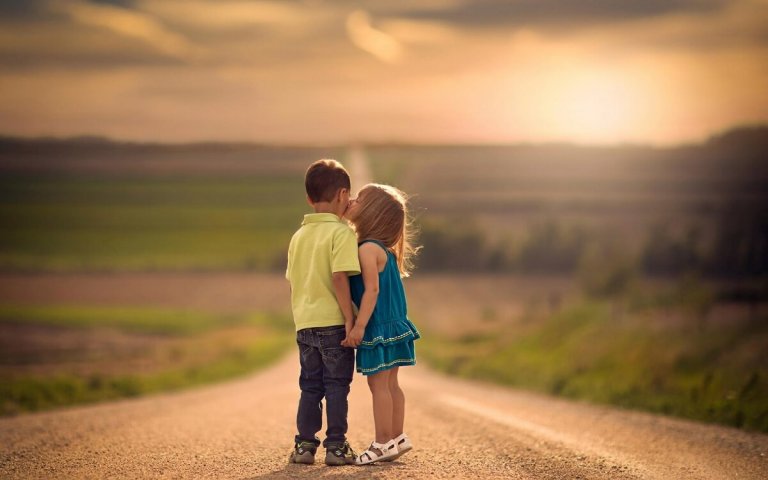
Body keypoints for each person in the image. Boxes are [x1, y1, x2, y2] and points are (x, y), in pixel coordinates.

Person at [286, 159, 360, 466]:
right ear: (343, 195)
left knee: (310, 385)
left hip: (304, 323)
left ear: (309, 198)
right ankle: (336, 446)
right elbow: (339, 276)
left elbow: (294, 279)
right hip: (332, 323)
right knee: (336, 386)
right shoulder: (341, 234)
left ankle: (304, 447)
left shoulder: (298, 236)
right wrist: (349, 317)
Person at [341, 183, 421, 465]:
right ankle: (397, 437)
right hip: (395, 326)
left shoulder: (366, 250)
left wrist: (360, 326)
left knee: (379, 387)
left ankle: (382, 442)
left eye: (359, 199)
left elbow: (372, 291)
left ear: (372, 213)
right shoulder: (384, 250)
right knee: (392, 385)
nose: (351, 200)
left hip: (377, 327)